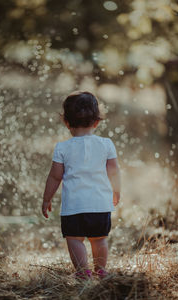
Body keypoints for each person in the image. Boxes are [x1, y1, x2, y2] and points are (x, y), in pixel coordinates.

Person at [42, 91, 121, 280]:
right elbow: (114, 171)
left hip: (74, 207)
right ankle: (100, 269)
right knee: (100, 238)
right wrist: (116, 190)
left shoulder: (62, 147)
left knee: (74, 240)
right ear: (97, 121)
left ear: (67, 122)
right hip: (100, 205)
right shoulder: (106, 144)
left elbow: (54, 177)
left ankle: (83, 271)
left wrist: (47, 198)